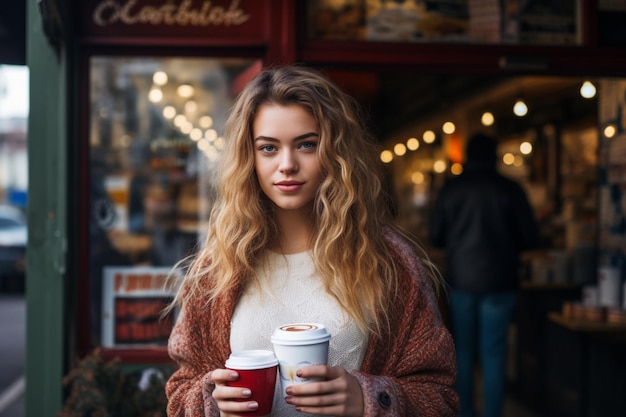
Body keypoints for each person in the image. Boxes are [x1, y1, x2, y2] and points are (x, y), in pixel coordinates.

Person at [164, 65, 459, 417]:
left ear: (335, 153)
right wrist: (210, 401)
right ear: (249, 157)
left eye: (306, 144)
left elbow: (439, 395)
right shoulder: (219, 266)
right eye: (269, 148)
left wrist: (368, 399)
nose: (287, 164)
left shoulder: (389, 261)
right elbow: (181, 390)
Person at [428, 133, 540, 417]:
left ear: (467, 157)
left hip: (462, 281)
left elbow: (435, 236)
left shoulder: (451, 189)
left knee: (463, 352)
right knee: (494, 352)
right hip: (501, 281)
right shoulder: (510, 189)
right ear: (495, 156)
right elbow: (530, 237)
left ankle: (465, 412)